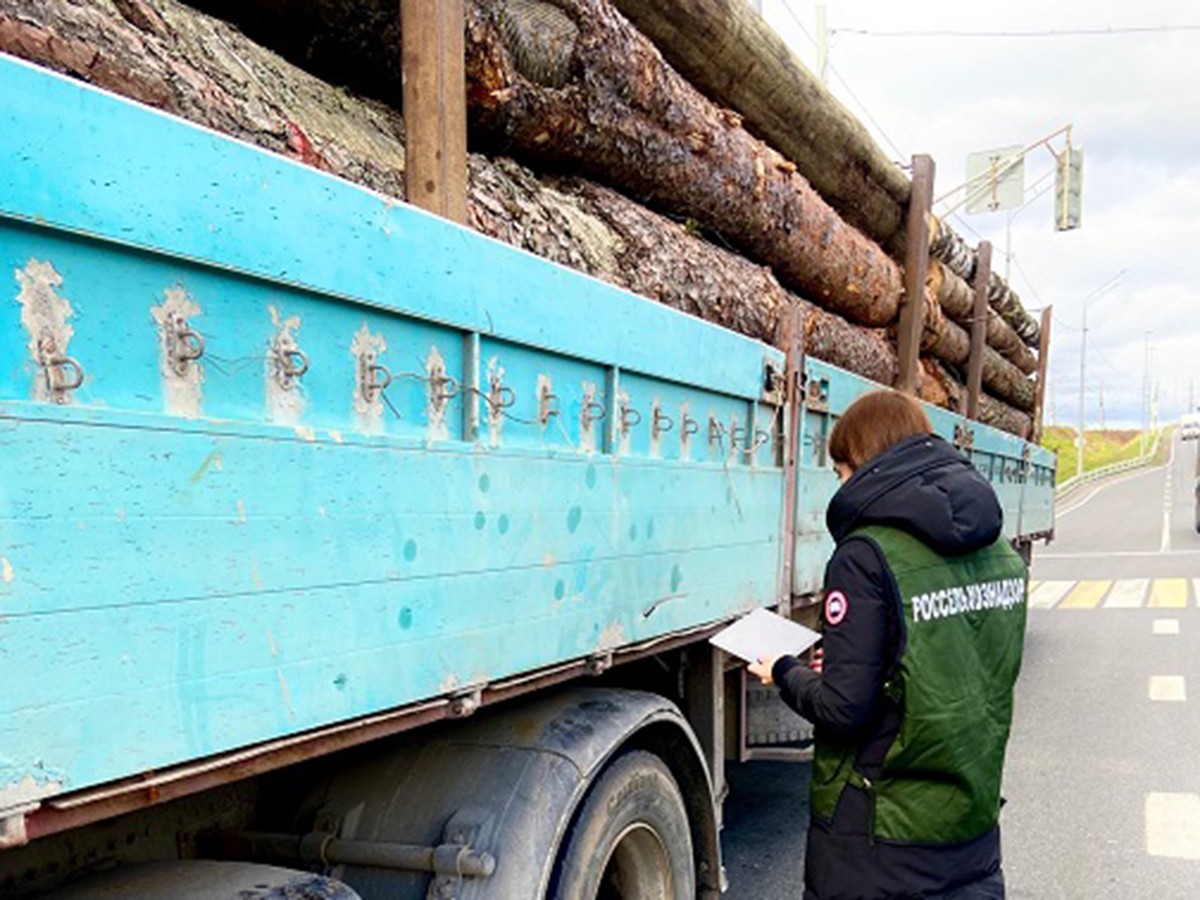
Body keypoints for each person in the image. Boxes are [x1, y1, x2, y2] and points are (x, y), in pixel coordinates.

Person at [749, 390, 1027, 900]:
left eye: (840, 472)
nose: (840, 484)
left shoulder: (866, 555)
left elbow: (844, 709)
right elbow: (954, 667)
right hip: (971, 822)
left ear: (865, 461)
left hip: (881, 839)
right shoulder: (1003, 554)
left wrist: (786, 671)